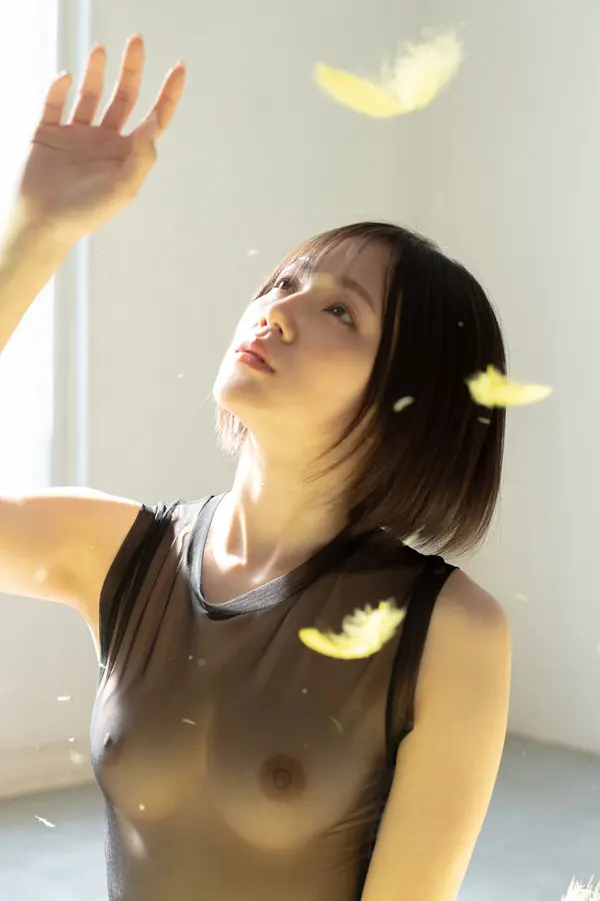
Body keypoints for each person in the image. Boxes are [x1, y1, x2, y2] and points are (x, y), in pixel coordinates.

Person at [0, 33, 512, 901]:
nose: (277, 312)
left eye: (341, 312)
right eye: (283, 283)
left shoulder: (452, 631)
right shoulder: (124, 553)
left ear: (409, 399)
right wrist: (37, 231)